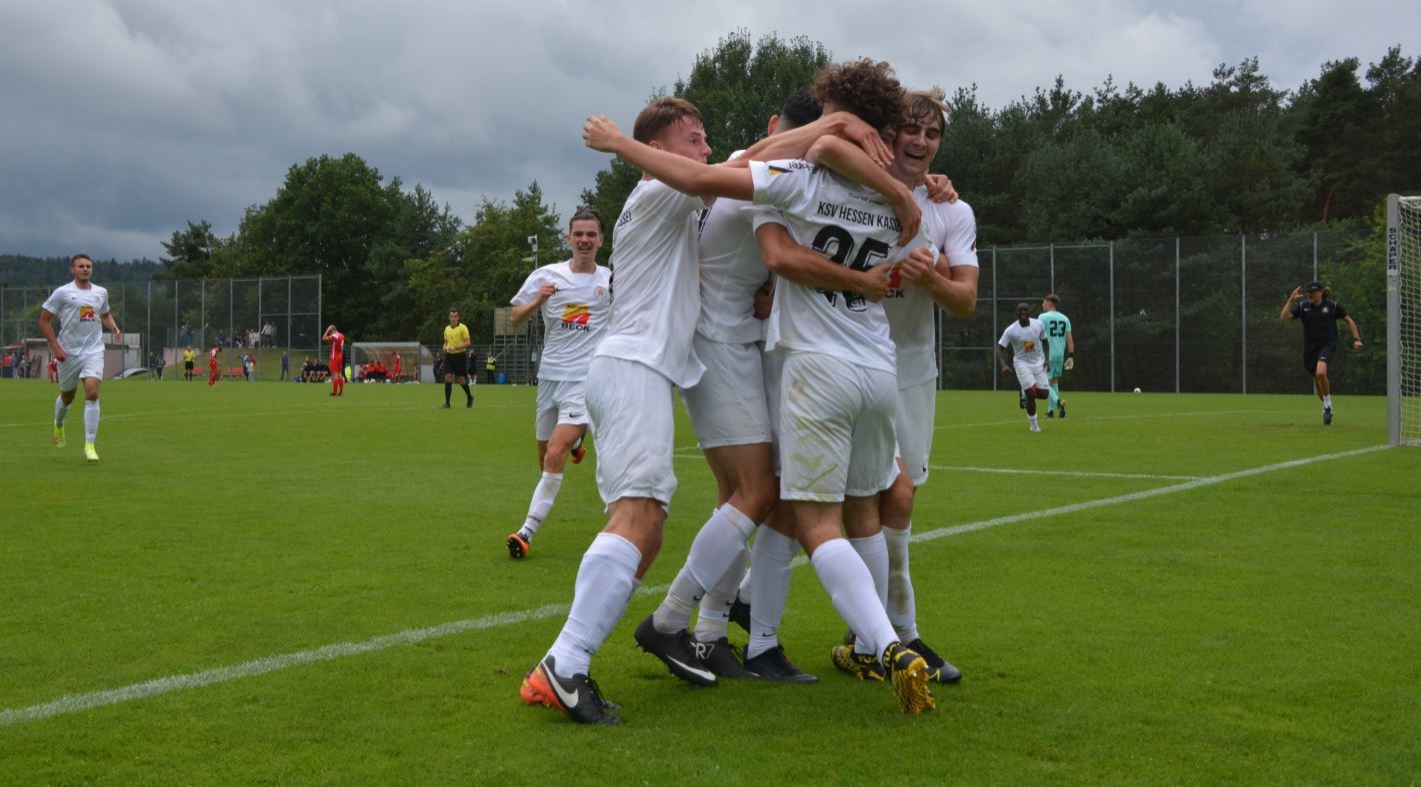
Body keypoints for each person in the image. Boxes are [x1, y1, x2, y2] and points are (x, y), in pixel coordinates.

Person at [571, 61, 939, 715]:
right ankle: (675, 619)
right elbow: (776, 218)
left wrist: (906, 180)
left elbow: (780, 218)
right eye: (694, 137)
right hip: (720, 344)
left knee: (762, 499)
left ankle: (713, 632)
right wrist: (866, 159)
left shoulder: (788, 171)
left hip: (751, 340)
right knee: (760, 493)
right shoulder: (771, 164)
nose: (706, 146)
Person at [505, 209, 613, 559]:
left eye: (591, 234)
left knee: (555, 453)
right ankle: (578, 440)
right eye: (578, 234)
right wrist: (538, 300)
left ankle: (526, 532)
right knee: (545, 460)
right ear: (568, 238)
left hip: (585, 380)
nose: (584, 240)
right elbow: (514, 318)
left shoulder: (611, 281)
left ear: (601, 240)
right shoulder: (546, 275)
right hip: (549, 378)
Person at [38, 253, 121, 463]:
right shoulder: (62, 293)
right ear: (72, 270)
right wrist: (56, 347)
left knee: (92, 392)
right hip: (68, 353)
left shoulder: (101, 292)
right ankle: (58, 423)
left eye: (88, 266)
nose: (85, 269)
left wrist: (114, 327)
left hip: (93, 351)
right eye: (81, 266)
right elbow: (44, 321)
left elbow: (104, 314)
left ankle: (89, 445)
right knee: (67, 396)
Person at [1282, 280, 1362, 425]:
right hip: (1310, 350)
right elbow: (1284, 317)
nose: (1310, 295)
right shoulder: (1303, 307)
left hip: (1327, 346)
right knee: (1318, 384)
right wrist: (1291, 300)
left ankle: (1327, 405)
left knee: (1320, 373)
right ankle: (1326, 405)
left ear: (1320, 293)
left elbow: (1349, 320)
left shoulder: (1333, 307)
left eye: (1313, 292)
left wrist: (1356, 339)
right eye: (1308, 292)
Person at [996, 303, 1051, 431]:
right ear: (1017, 313)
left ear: (1029, 312)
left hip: (1038, 362)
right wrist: (1003, 365)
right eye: (1020, 310)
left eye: (1025, 310)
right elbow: (998, 349)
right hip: (1022, 363)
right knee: (1031, 394)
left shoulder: (1038, 325)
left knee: (1044, 394)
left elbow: (1045, 341)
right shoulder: (1011, 330)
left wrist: (1047, 359)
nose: (1023, 312)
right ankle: (1034, 425)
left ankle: (1024, 392)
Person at [1038, 293, 1073, 418]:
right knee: (1054, 381)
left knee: (1044, 383)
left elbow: (1036, 333)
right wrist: (1071, 356)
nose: (1043, 304)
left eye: (1044, 302)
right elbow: (1069, 338)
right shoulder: (1065, 318)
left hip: (1047, 354)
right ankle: (1051, 411)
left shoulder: (1043, 317)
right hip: (1059, 354)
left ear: (1049, 303)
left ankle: (1058, 402)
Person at [441, 309, 473, 407]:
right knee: (448, 377)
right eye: (452, 316)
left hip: (460, 356)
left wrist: (456, 347)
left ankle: (469, 397)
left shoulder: (463, 328)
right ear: (449, 317)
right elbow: (445, 343)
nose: (453, 318)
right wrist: (444, 347)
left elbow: (468, 342)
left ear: (458, 317)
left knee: (461, 380)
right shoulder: (446, 329)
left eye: (455, 316)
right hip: (449, 356)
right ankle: (447, 403)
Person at [322, 325, 346, 396]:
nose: (330, 334)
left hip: (334, 357)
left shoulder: (334, 336)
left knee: (335, 374)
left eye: (330, 332)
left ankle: (335, 391)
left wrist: (327, 330)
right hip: (340, 356)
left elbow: (323, 338)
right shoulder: (342, 335)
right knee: (340, 374)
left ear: (332, 330)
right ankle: (341, 391)